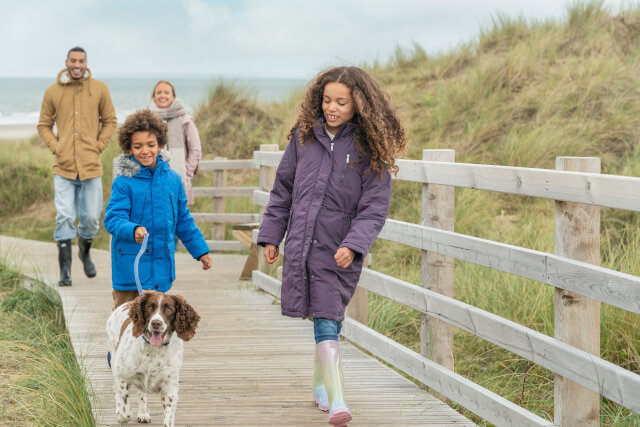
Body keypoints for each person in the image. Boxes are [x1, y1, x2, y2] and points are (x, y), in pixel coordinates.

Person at [257, 66, 406, 426]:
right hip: (302, 242)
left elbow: (374, 207)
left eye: (341, 101)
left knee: (327, 315)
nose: (332, 108)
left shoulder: (369, 149)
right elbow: (282, 191)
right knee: (324, 317)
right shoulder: (303, 139)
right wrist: (271, 235)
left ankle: (337, 400)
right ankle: (323, 388)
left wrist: (354, 245)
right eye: (327, 100)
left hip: (338, 248)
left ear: (360, 104)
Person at [104, 109, 212, 309]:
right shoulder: (123, 182)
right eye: (138, 146)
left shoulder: (173, 180)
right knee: (125, 326)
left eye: (151, 145)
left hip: (160, 273)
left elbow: (183, 220)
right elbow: (113, 219)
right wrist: (133, 229)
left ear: (161, 145)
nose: (145, 150)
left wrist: (200, 250)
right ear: (129, 148)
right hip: (130, 272)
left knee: (156, 328)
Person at [38, 46, 117, 286]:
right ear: (66, 62)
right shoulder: (52, 92)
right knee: (64, 216)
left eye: (81, 61)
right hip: (63, 168)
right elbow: (43, 125)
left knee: (91, 218)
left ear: (86, 64)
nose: (77, 65)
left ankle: (85, 252)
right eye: (73, 60)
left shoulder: (100, 89)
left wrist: (99, 145)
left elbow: (111, 121)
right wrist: (57, 146)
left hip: (91, 167)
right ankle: (65, 271)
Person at [149, 80, 202, 205]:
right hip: (151, 180)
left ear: (173, 96)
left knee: (179, 221)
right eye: (159, 92)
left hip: (179, 179)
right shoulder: (147, 119)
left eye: (166, 92)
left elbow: (195, 150)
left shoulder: (185, 120)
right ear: (154, 96)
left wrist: (186, 174)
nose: (162, 95)